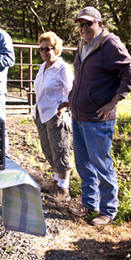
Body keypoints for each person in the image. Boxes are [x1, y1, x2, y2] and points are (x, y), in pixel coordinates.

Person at [68, 7, 131, 226]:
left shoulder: (109, 44)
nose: (84, 28)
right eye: (80, 24)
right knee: (82, 162)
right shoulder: (84, 45)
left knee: (101, 163)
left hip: (98, 117)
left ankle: (108, 209)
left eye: (88, 24)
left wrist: (114, 101)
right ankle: (89, 203)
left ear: (100, 23)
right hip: (80, 114)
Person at [34, 31, 74, 203]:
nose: (44, 52)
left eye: (48, 49)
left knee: (60, 149)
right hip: (42, 113)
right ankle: (57, 183)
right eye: (42, 49)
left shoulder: (63, 68)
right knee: (49, 149)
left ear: (56, 49)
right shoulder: (43, 67)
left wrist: (64, 106)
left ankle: (64, 189)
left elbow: (72, 90)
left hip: (55, 113)